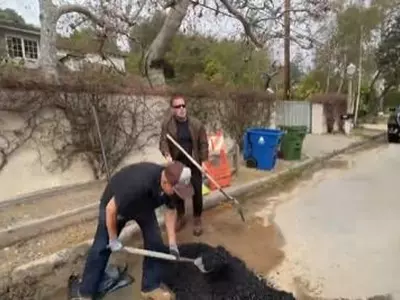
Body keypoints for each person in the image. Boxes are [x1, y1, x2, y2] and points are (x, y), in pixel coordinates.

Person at [75, 161, 194, 300]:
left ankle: (150, 287)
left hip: (144, 207)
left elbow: (170, 211)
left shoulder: (172, 187)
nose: (177, 194)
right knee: (101, 247)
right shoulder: (137, 184)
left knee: (155, 244)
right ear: (165, 183)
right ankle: (85, 293)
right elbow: (110, 210)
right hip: (117, 209)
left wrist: (173, 243)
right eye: (177, 190)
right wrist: (113, 239)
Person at [159, 95, 209, 236]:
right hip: (178, 165)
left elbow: (203, 144)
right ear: (172, 109)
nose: (181, 109)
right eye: (177, 106)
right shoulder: (168, 125)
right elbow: (163, 142)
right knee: (178, 193)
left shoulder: (196, 124)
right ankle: (181, 216)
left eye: (183, 106)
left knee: (197, 192)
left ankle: (197, 218)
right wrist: (167, 156)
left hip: (194, 162)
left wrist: (204, 163)